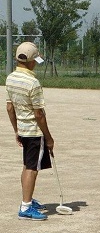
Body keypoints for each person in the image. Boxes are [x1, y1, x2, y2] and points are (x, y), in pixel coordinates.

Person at [6, 42, 54, 220]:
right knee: (32, 169)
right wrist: (48, 138)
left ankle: (27, 199)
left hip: (23, 130)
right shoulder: (33, 82)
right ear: (32, 61)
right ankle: (25, 207)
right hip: (34, 131)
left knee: (27, 165)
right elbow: (39, 114)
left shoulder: (10, 78)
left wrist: (16, 130)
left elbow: (10, 108)